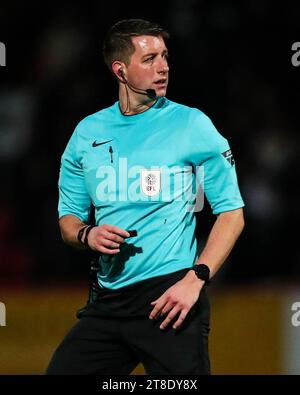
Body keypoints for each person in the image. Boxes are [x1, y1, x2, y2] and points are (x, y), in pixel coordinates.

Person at [46, 18, 245, 375]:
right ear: (120, 70)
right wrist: (87, 235)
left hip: (171, 298)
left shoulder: (192, 124)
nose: (164, 66)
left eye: (165, 56)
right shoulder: (86, 133)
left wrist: (196, 278)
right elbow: (67, 221)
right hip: (108, 301)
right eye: (150, 58)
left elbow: (232, 213)